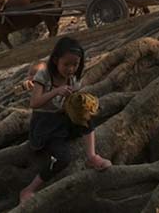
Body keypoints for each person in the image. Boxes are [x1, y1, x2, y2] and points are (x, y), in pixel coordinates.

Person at [19, 37, 111, 204]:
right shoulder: (44, 76)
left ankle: (91, 156)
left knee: (87, 116)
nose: (70, 69)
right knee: (63, 158)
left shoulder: (74, 79)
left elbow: (70, 105)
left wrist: (80, 103)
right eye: (66, 64)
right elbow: (34, 103)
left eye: (75, 65)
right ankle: (29, 189)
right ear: (55, 60)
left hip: (62, 118)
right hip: (45, 124)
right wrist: (56, 91)